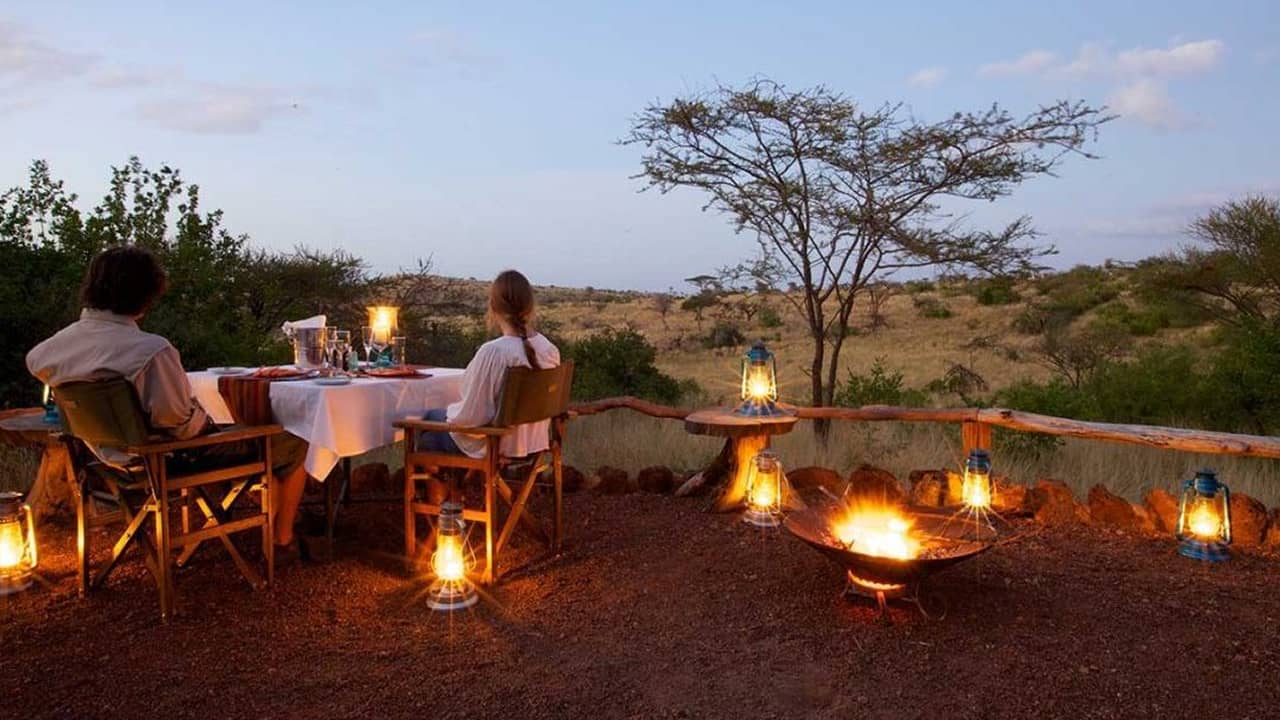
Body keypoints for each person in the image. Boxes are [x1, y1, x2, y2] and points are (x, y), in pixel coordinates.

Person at [26, 245, 311, 558]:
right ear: (146, 294)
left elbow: (34, 361)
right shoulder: (150, 351)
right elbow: (180, 425)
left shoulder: (54, 348)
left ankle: (280, 515)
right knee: (292, 439)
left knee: (259, 456)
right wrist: (209, 421)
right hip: (163, 461)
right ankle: (283, 537)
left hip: (101, 459)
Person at [418, 269, 560, 460]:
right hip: (533, 445)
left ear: (493, 306)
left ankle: (438, 488)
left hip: (496, 445)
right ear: (530, 306)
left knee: (430, 421)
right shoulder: (549, 349)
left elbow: (471, 417)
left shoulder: (494, 352)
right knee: (437, 418)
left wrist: (450, 414)